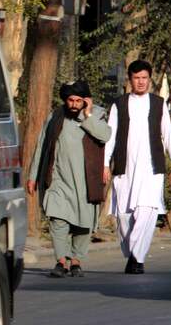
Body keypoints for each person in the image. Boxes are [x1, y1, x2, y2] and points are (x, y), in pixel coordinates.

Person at [104, 59, 171, 274]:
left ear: (149, 80)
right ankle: (132, 253)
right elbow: (110, 137)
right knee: (124, 217)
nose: (141, 82)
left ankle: (137, 260)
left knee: (147, 212)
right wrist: (104, 164)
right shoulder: (118, 104)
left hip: (151, 170)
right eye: (137, 78)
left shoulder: (158, 104)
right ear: (130, 80)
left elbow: (168, 135)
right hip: (124, 170)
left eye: (144, 78)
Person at [27, 80, 111, 277]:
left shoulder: (97, 115)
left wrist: (87, 115)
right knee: (57, 219)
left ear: (86, 100)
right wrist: (33, 176)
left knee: (83, 224)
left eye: (78, 100)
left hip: (85, 181)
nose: (73, 104)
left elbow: (105, 136)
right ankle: (61, 261)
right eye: (70, 100)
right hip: (58, 180)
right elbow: (42, 146)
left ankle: (76, 260)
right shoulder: (55, 116)